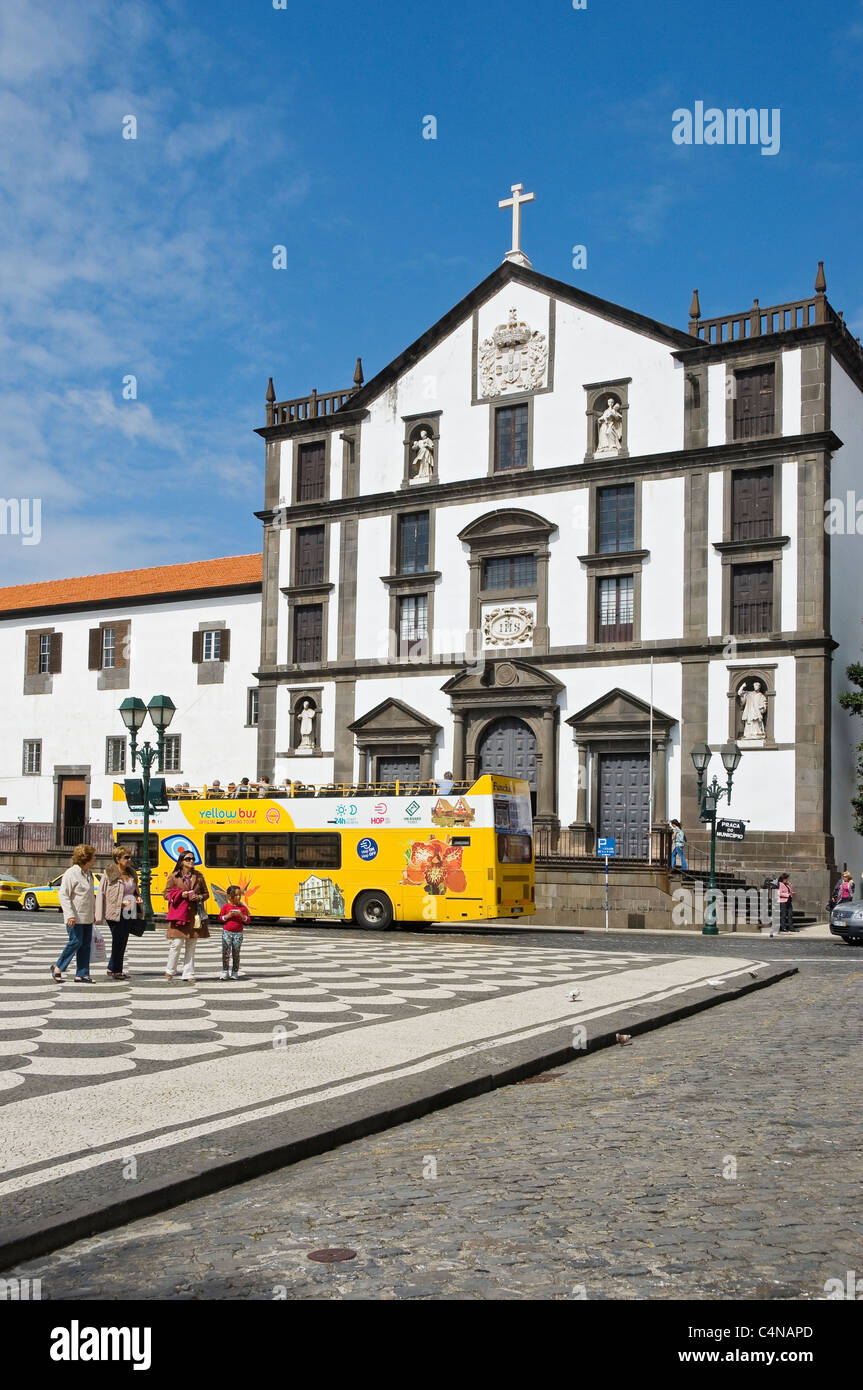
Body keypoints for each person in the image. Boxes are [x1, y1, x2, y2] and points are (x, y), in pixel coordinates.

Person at [95, 846, 142, 981]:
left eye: (130, 857)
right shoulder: (110, 872)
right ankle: (117, 970)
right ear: (117, 859)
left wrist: (137, 897)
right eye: (126, 857)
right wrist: (99, 914)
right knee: (118, 940)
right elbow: (102, 893)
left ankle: (112, 967)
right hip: (115, 911)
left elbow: (133, 890)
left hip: (130, 910)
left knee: (123, 940)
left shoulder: (132, 872)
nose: (129, 860)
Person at [53, 844, 98, 983]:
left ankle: (82, 974)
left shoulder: (88, 874)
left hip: (87, 917)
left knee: (85, 945)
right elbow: (64, 895)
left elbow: (90, 896)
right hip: (75, 917)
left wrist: (94, 912)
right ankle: (58, 967)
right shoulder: (71, 873)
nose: (95, 859)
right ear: (86, 858)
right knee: (75, 942)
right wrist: (69, 915)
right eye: (93, 856)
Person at [164, 852, 210, 982]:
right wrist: (180, 894)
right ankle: (170, 970)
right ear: (181, 861)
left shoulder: (199, 876)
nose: (191, 861)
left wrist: (199, 897)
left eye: (192, 858)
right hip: (179, 914)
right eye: (188, 859)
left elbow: (206, 894)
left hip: (194, 915)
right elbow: (166, 894)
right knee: (176, 943)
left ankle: (188, 973)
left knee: (191, 944)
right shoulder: (174, 876)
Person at [219, 884, 250, 980]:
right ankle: (225, 971)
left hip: (238, 933)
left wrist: (242, 915)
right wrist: (227, 916)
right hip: (227, 932)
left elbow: (248, 921)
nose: (238, 897)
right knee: (226, 952)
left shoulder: (243, 908)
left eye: (239, 895)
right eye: (236, 895)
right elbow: (220, 919)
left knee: (236, 953)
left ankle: (235, 971)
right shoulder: (225, 907)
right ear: (229, 896)